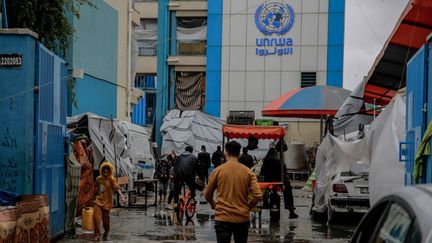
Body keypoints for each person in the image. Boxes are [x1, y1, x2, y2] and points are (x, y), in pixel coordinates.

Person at [205, 141, 263, 243]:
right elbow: (257, 195)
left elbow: (207, 194)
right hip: (241, 218)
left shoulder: (217, 171)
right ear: (239, 154)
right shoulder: (248, 172)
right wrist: (247, 207)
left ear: (225, 152)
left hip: (222, 218)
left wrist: (214, 205)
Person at [260, 148, 298, 219]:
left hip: (267, 183)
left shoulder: (265, 162)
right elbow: (285, 174)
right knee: (288, 191)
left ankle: (265, 203)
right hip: (279, 183)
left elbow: (262, 173)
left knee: (262, 190)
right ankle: (291, 210)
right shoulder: (280, 162)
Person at [93, 162, 126, 241]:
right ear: (101, 171)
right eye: (104, 172)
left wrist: (122, 196)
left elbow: (117, 187)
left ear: (110, 171)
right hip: (98, 201)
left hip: (107, 202)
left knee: (106, 222)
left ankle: (106, 232)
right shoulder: (98, 179)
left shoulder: (112, 179)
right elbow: (95, 190)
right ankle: (97, 234)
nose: (105, 173)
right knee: (96, 218)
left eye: (107, 172)